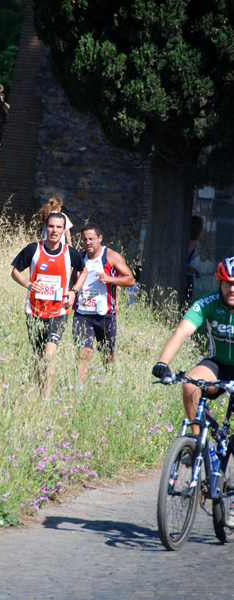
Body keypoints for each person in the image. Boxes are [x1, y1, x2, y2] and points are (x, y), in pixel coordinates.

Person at [152, 257, 234, 525]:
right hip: (218, 364)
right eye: (227, 284)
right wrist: (164, 363)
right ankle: (198, 446)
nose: (231, 289)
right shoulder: (209, 303)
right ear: (219, 283)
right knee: (189, 383)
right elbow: (181, 332)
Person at [11, 212, 88, 399]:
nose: (54, 230)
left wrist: (74, 291)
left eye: (58, 227)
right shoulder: (33, 249)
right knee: (39, 357)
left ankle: (46, 399)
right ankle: (41, 393)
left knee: (49, 353)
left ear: (64, 230)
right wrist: (28, 284)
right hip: (34, 311)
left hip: (58, 311)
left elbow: (83, 271)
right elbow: (14, 271)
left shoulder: (69, 253)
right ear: (46, 228)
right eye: (51, 226)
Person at [71, 224, 135, 384]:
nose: (88, 243)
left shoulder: (111, 256)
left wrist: (110, 279)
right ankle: (79, 390)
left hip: (105, 315)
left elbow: (130, 279)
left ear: (99, 238)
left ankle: (110, 383)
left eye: (91, 239)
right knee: (83, 353)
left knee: (108, 355)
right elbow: (73, 279)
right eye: (85, 239)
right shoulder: (80, 256)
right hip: (82, 314)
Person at [186, 215, 203, 304]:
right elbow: (184, 262)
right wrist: (190, 269)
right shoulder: (192, 242)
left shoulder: (186, 240)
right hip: (187, 276)